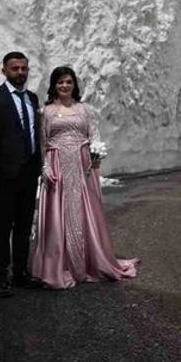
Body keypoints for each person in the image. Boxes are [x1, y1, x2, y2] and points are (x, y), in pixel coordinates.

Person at [30, 66, 138, 289]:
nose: (64, 86)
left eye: (68, 81)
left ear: (74, 84)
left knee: (85, 212)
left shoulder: (86, 109)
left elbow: (94, 136)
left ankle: (89, 261)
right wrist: (44, 166)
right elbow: (42, 143)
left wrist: (96, 155)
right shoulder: (46, 112)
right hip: (57, 165)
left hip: (82, 166)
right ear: (53, 85)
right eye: (60, 82)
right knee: (57, 216)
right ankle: (60, 265)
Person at [0, 52, 43, 298]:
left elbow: (36, 135)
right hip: (4, 173)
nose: (20, 73)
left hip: (29, 172)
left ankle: (20, 272)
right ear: (4, 70)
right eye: (15, 68)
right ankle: (0, 274)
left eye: (24, 68)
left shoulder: (32, 98)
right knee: (4, 225)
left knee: (24, 225)